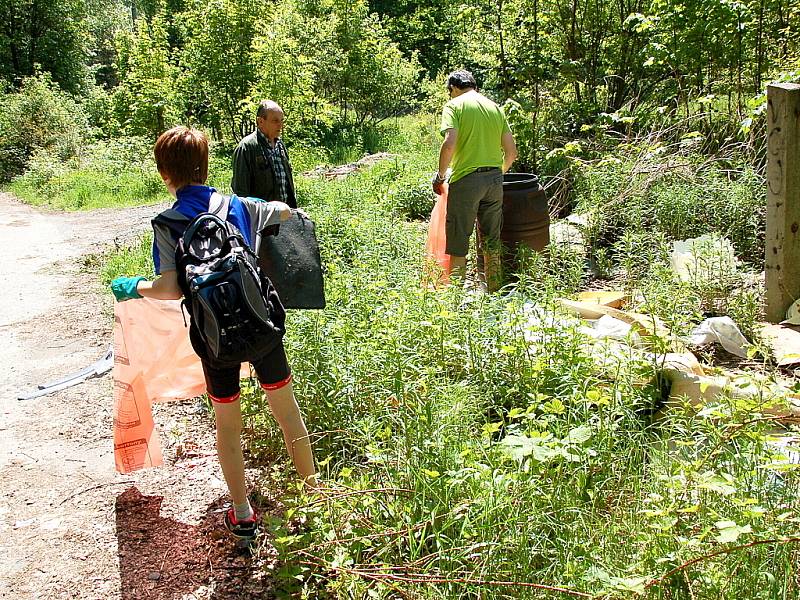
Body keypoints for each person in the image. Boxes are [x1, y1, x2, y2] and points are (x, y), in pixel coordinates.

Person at [110, 126, 316, 543]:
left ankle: (242, 514)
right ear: (206, 166)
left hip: (215, 339)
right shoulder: (236, 206)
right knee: (287, 409)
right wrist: (264, 206)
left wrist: (134, 286)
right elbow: (286, 213)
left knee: (227, 422)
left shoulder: (167, 223)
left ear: (164, 173)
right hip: (262, 327)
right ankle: (314, 497)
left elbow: (169, 288)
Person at [432, 70, 517, 292]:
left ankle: (455, 301)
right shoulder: (494, 108)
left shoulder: (454, 106)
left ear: (453, 88)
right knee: (491, 242)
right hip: (494, 181)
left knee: (458, 243)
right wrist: (498, 174)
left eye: (449, 92)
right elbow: (511, 152)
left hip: (466, 181)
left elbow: (449, 143)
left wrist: (440, 176)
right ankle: (494, 294)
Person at [231, 100, 297, 208]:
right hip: (261, 220)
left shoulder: (280, 146)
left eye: (282, 120)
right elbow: (240, 194)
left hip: (285, 217)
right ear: (260, 121)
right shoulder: (247, 148)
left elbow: (287, 185)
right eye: (275, 121)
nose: (280, 125)